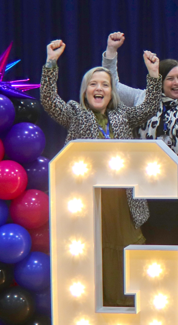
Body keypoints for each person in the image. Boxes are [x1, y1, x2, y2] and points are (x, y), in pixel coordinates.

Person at [101, 33, 178, 325]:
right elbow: (113, 87)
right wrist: (111, 53)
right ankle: (158, 314)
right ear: (160, 80)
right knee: (154, 250)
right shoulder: (144, 97)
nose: (176, 82)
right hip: (150, 192)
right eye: (170, 78)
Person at [41, 39, 162, 307]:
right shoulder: (74, 113)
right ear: (85, 91)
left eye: (105, 84)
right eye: (93, 84)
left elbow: (150, 107)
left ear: (111, 92)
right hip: (85, 200)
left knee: (124, 248)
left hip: (122, 200)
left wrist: (154, 76)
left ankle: (127, 302)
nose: (99, 88)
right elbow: (49, 100)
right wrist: (51, 63)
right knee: (89, 250)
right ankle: (93, 304)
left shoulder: (123, 117)